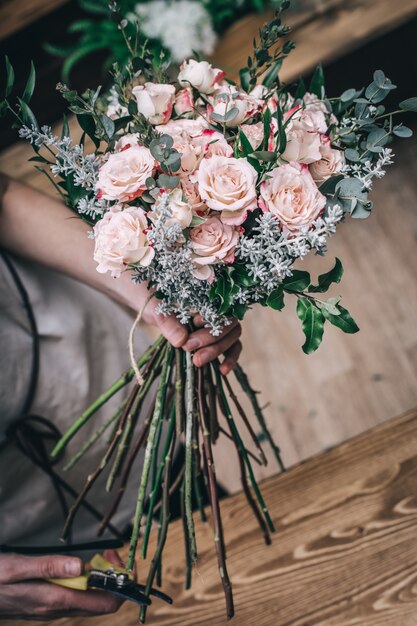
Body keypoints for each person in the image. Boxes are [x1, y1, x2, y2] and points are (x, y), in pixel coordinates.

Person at [0, 174, 242, 619]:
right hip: (24, 526)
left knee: (208, 521)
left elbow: (3, 200)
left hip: (99, 380)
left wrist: (146, 293)